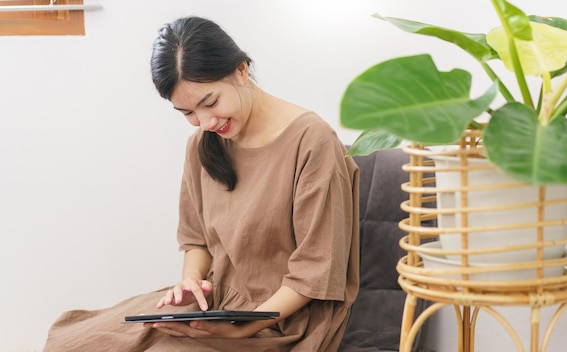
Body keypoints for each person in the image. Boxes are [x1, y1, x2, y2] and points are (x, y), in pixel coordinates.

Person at [43, 16, 359, 352]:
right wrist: (191, 281)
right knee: (77, 342)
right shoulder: (201, 145)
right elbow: (197, 242)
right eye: (188, 113)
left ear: (241, 70)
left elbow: (314, 273)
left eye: (210, 103)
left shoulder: (312, 142)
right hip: (217, 306)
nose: (206, 122)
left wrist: (242, 327)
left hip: (284, 319)